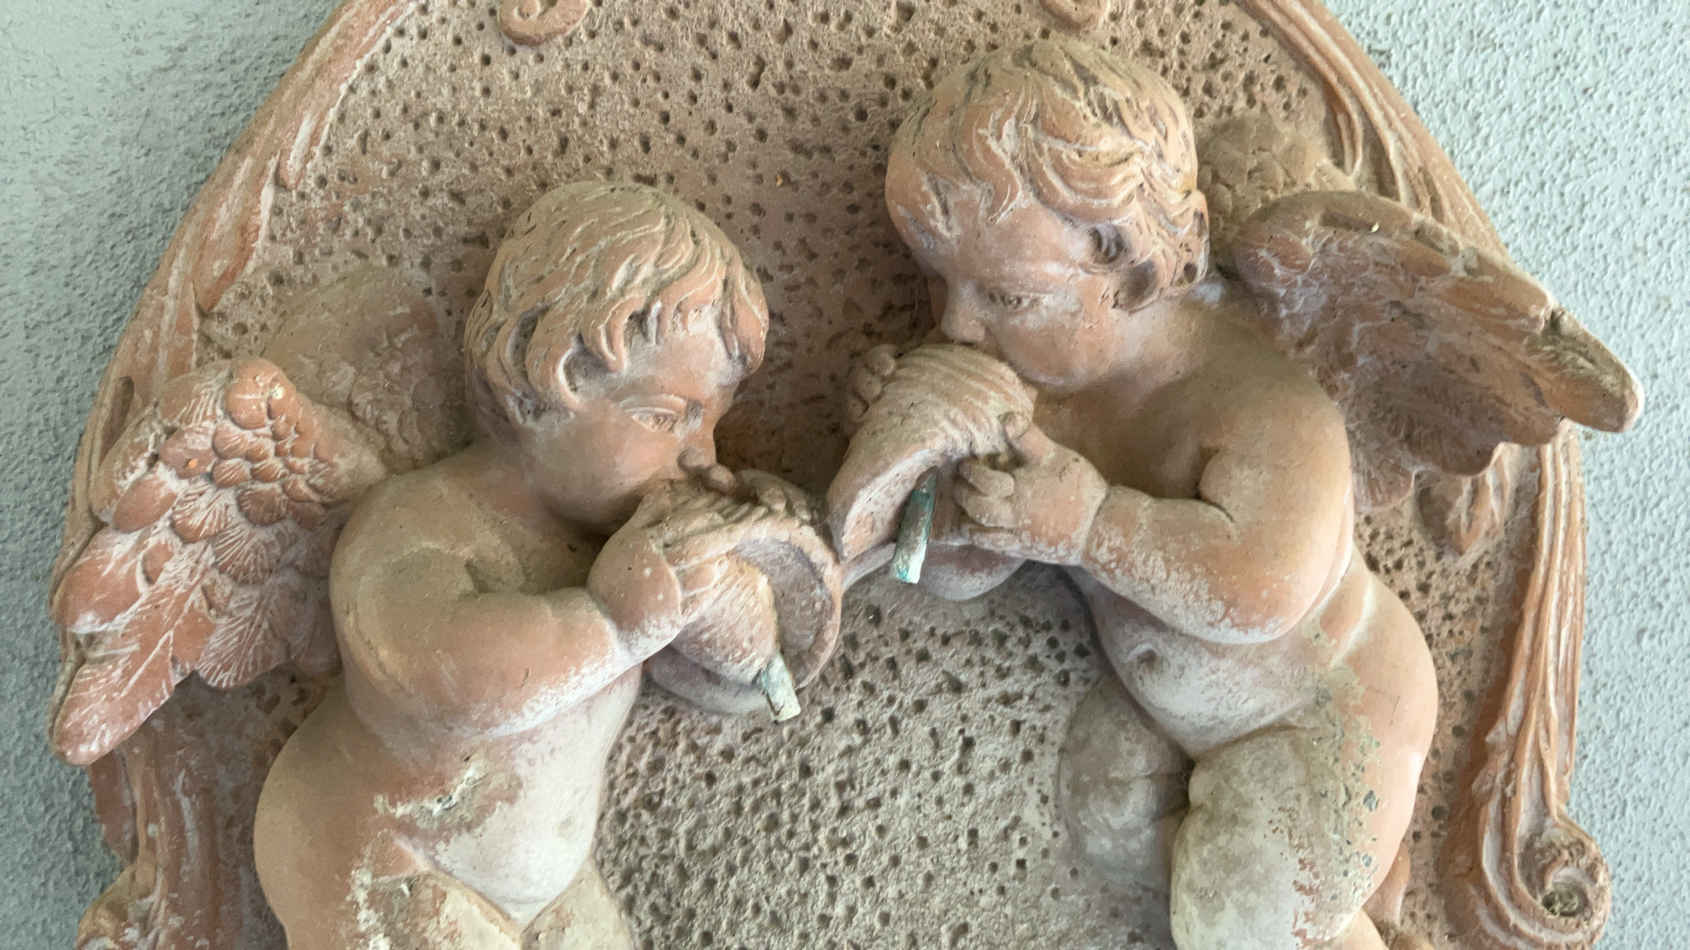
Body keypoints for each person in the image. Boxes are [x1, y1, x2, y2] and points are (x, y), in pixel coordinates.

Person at [854, 39, 1436, 950]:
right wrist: (917, 473)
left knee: (1245, 910)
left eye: (1006, 295)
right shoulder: (1036, 394)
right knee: (1105, 808)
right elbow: (958, 573)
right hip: (1178, 720)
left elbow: (1261, 588)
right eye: (941, 284)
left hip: (1328, 714)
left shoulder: (1262, 407)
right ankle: (1330, 900)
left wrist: (1091, 527)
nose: (956, 326)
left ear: (1140, 267)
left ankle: (1329, 910)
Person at [255, 182, 782, 948]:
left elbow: (717, 677)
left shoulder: (617, 544)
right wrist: (613, 623)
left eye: (711, 426)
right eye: (666, 418)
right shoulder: (421, 521)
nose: (702, 457)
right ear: (548, 385)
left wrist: (738, 631)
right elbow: (439, 671)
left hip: (548, 886)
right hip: (387, 860)